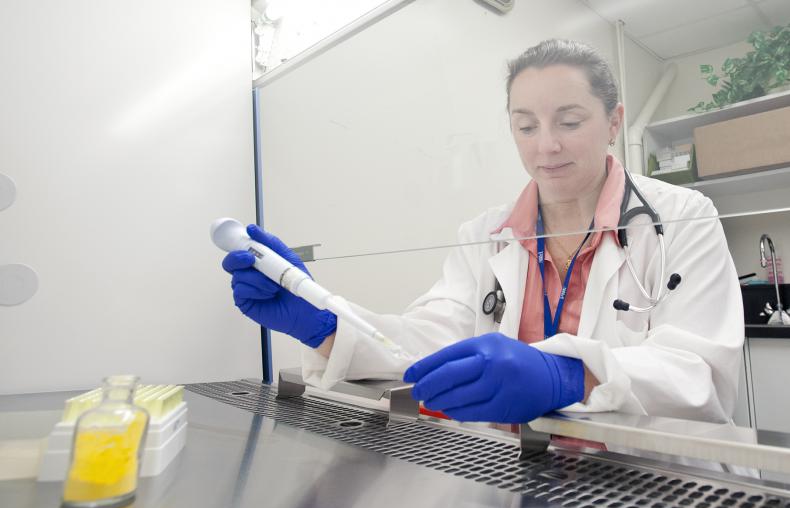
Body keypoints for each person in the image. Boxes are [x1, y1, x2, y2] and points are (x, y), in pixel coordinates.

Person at [222, 39, 744, 426]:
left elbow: (700, 373)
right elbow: (428, 341)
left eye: (569, 122)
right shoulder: (487, 234)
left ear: (613, 122)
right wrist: (326, 324)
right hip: (518, 473)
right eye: (526, 126)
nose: (546, 146)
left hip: (645, 477)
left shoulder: (682, 217)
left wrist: (568, 376)